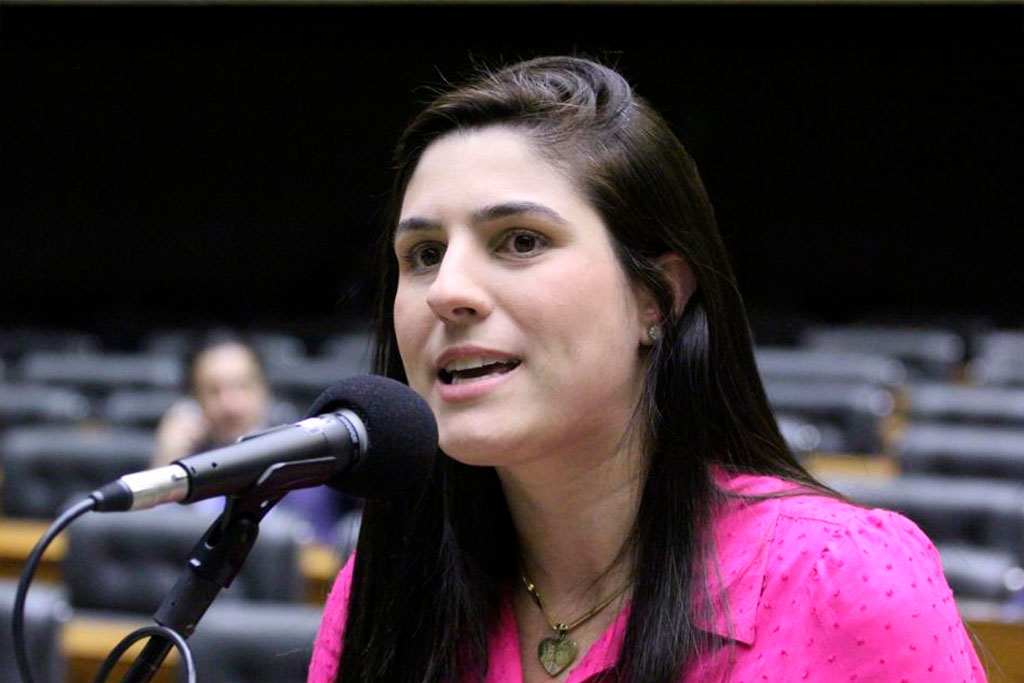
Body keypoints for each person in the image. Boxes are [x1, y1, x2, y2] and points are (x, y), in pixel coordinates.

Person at [308, 57, 984, 682]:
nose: (446, 290)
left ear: (655, 297)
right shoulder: (387, 589)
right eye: (423, 253)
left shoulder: (843, 580)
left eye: (519, 241)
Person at [152, 332, 351, 543]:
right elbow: (156, 550)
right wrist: (165, 459)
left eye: (242, 386)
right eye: (213, 391)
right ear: (194, 400)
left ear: (264, 389)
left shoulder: (306, 451)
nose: (231, 405)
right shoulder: (187, 461)